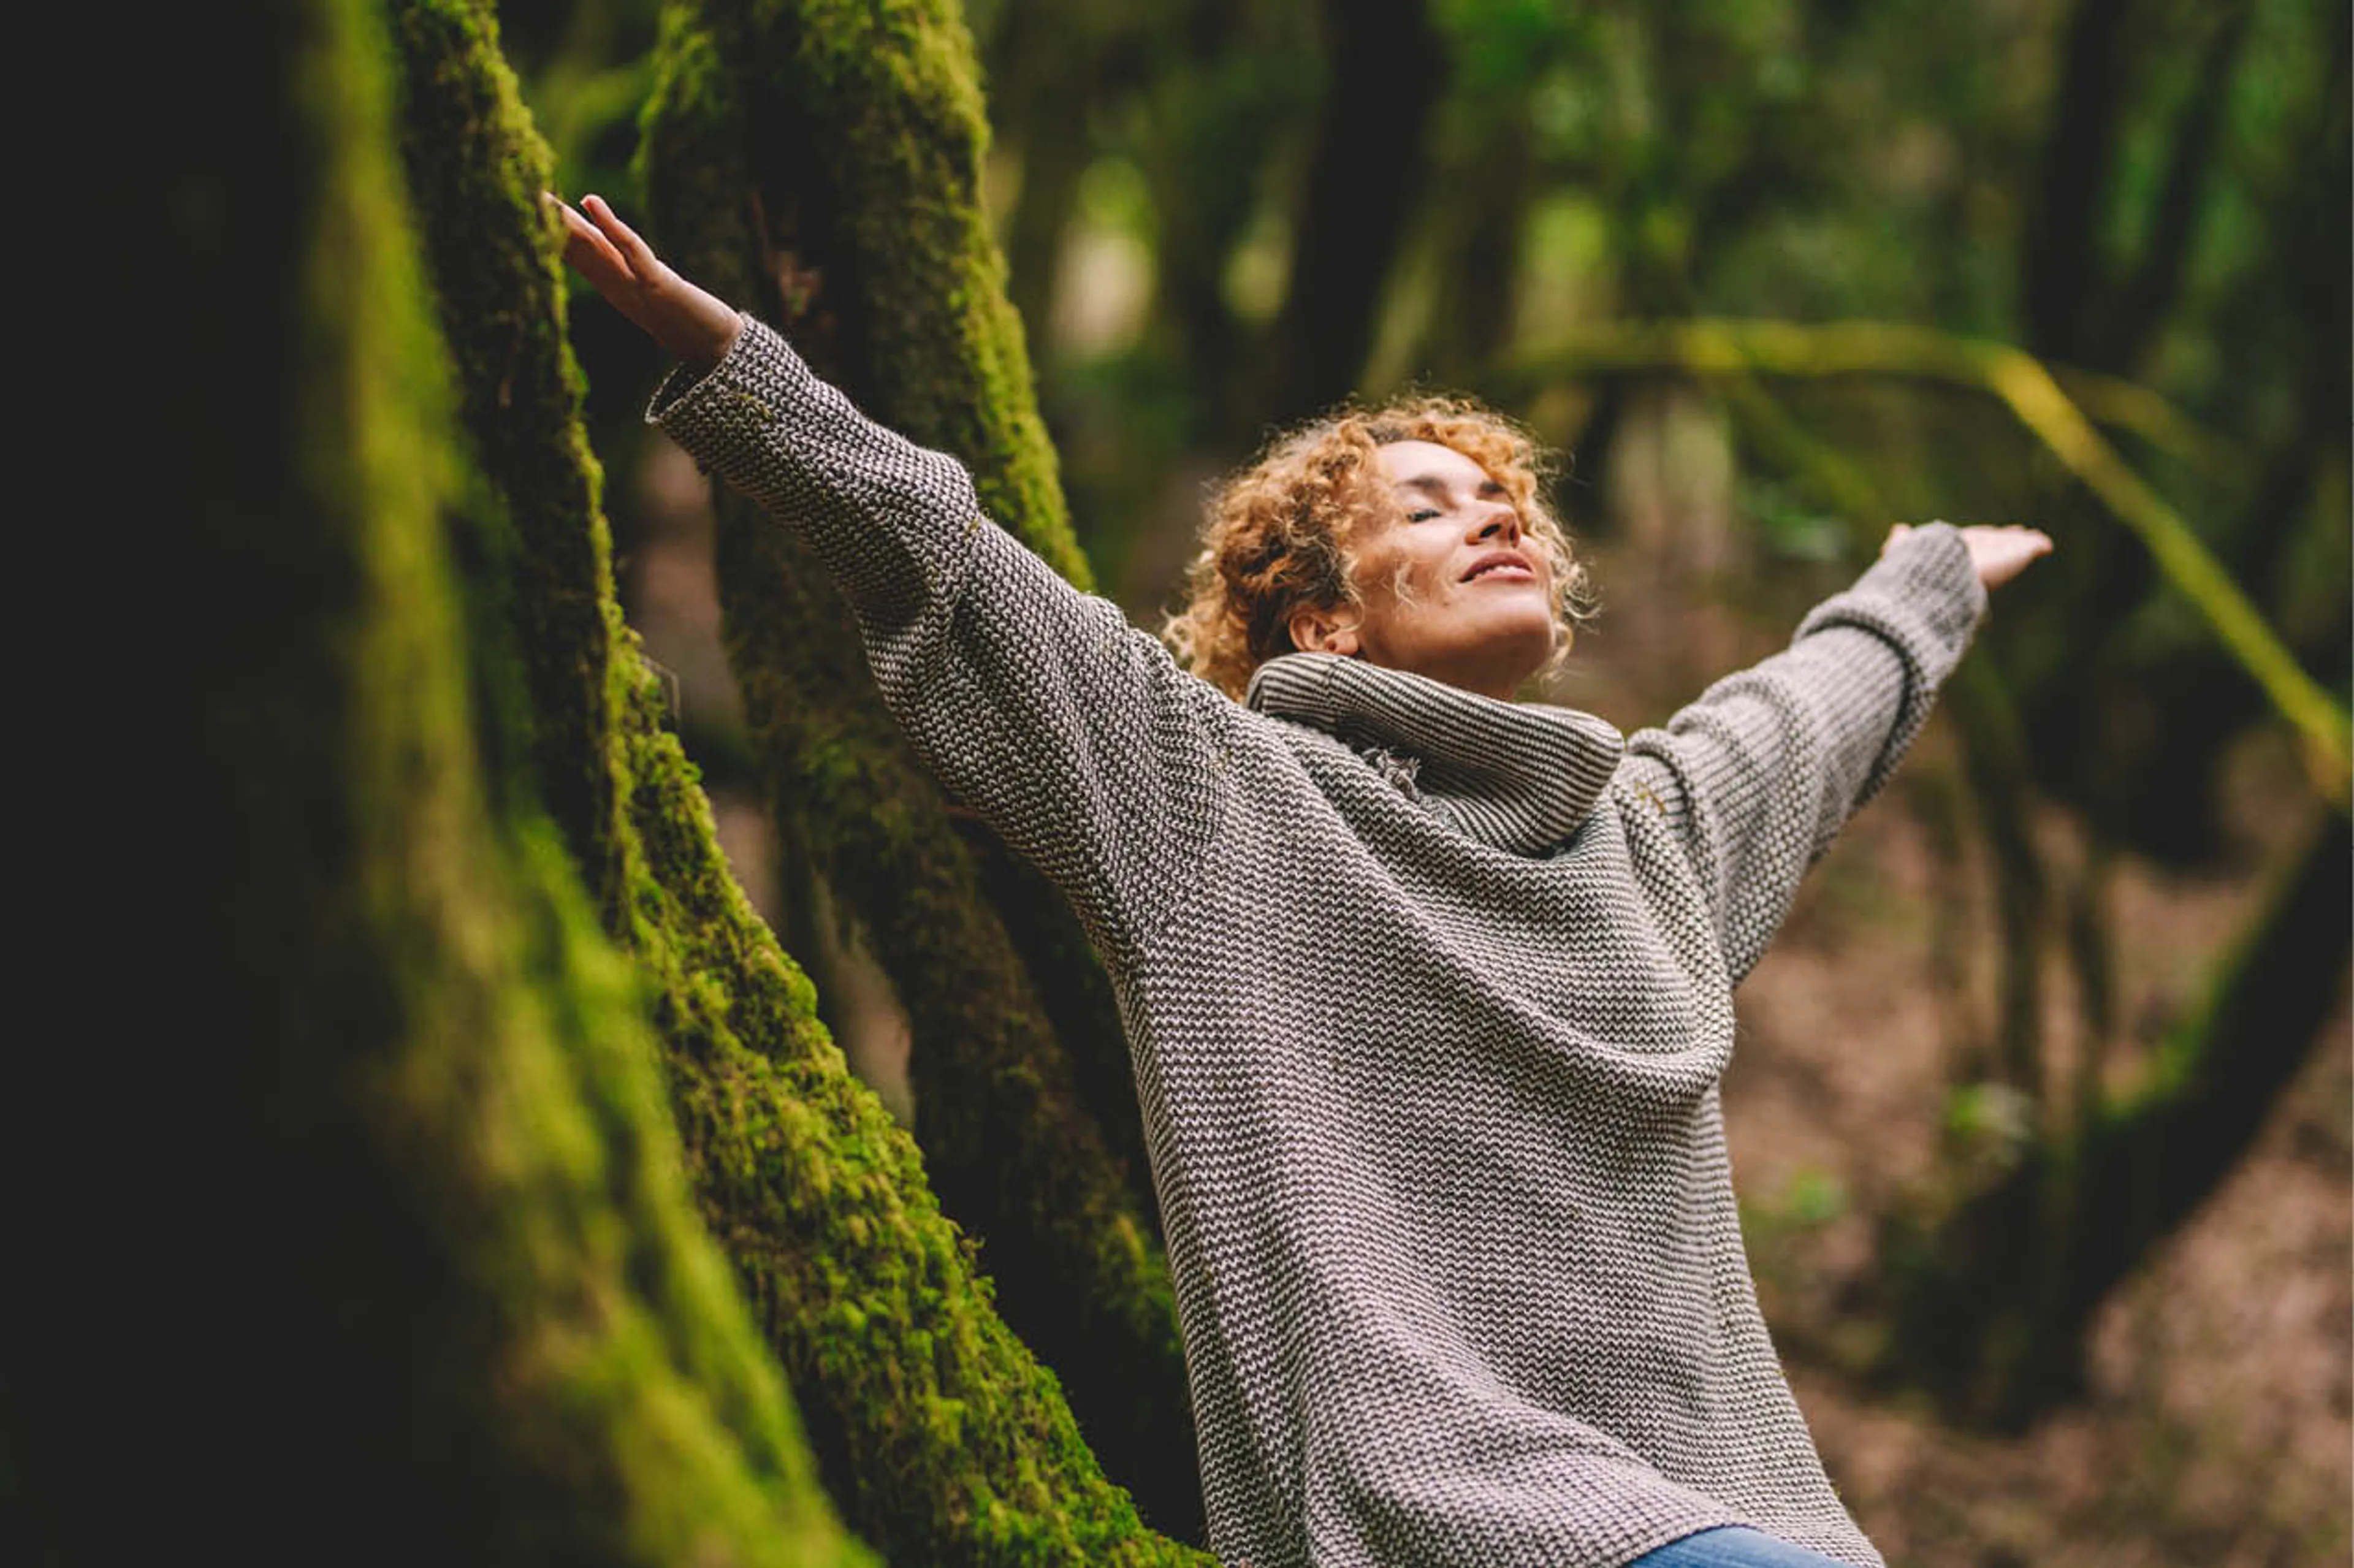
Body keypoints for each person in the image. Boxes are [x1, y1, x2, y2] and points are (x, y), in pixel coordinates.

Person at [552, 192, 2052, 1568]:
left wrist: (1925, 584)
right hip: (1435, 1515)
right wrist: (741, 368)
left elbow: (1795, 719)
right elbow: (957, 570)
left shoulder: (1645, 842)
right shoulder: (1218, 806)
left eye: (1505, 500)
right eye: (1428, 503)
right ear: (1321, 622)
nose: (1497, 514)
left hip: (1728, 1513)